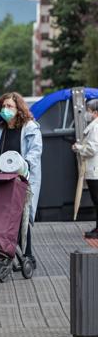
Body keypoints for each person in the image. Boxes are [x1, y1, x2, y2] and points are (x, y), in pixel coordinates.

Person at [0, 92, 42, 268]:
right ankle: (2, 252)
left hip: (21, 179)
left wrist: (24, 165)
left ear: (18, 109)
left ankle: (27, 255)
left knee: (22, 216)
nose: (6, 110)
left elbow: (35, 153)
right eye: (3, 107)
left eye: (10, 106)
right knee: (0, 216)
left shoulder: (30, 128)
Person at [73, 99, 98, 238]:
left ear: (95, 113)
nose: (87, 114)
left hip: (95, 169)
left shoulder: (95, 127)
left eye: (89, 111)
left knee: (97, 200)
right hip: (94, 169)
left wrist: (79, 147)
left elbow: (92, 148)